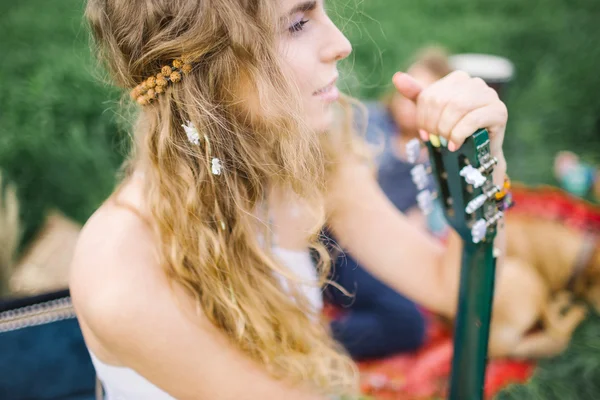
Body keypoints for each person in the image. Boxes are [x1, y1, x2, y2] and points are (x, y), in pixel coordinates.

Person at [69, 1, 509, 399]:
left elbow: (453, 286)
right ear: (209, 69)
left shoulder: (312, 158)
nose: (341, 43)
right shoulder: (122, 271)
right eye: (298, 23)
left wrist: (480, 166)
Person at [326, 47, 454, 360]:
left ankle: (322, 340)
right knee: (406, 319)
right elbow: (350, 182)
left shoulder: (439, 154)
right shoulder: (367, 119)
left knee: (409, 323)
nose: (407, 105)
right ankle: (305, 342)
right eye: (405, 91)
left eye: (418, 97)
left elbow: (432, 216)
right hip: (338, 238)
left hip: (384, 244)